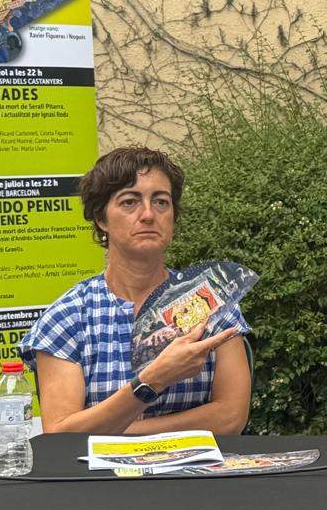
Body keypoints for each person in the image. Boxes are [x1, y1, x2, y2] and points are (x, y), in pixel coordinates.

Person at [21, 146, 251, 436]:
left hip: (197, 479)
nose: (147, 215)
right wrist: (153, 380)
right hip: (103, 481)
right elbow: (61, 435)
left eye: (161, 202)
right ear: (101, 219)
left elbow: (231, 418)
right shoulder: (69, 317)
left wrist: (119, 430)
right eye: (129, 202)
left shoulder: (210, 299)